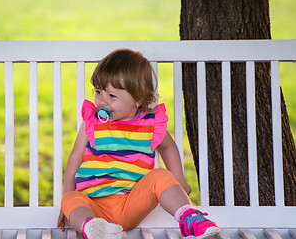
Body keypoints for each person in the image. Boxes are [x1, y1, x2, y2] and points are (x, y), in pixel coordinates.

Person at [57, 48, 220, 239]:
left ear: (139, 99)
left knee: (160, 175)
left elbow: (167, 146)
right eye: (98, 92)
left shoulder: (149, 123)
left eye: (112, 96)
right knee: (71, 197)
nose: (102, 101)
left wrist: (179, 179)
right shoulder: (92, 121)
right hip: (93, 203)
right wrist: (67, 203)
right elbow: (76, 157)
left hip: (131, 202)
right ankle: (94, 228)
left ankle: (189, 217)